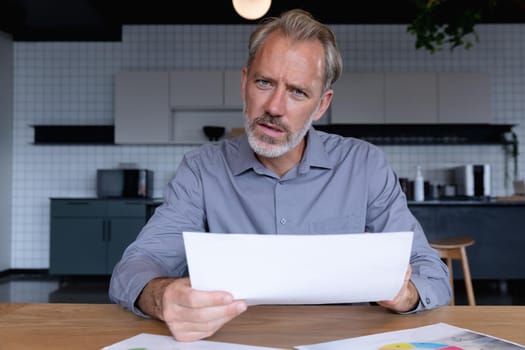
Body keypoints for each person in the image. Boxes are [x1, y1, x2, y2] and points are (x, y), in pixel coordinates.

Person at [109, 8, 451, 342]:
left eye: (297, 91)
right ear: (244, 83)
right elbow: (136, 266)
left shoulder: (364, 165)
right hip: (234, 341)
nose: (274, 107)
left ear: (321, 104)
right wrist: (163, 296)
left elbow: (432, 274)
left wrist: (405, 295)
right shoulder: (201, 169)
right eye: (264, 82)